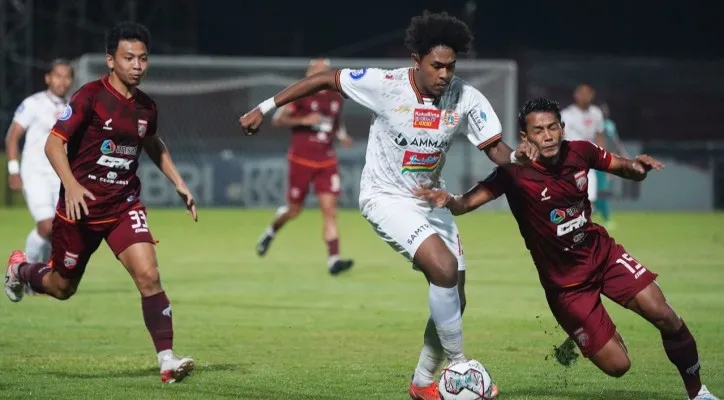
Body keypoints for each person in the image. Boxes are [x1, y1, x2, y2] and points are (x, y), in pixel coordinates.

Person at [240, 11, 537, 400]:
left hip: (430, 199)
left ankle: (421, 383)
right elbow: (327, 79)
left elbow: (495, 148)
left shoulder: (466, 96)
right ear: (416, 61)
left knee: (455, 296)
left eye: (451, 66)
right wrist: (264, 108)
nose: (445, 74)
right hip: (383, 196)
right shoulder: (385, 84)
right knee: (443, 268)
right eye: (437, 66)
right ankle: (460, 366)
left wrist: (519, 158)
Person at [415, 97, 719, 400]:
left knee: (664, 314)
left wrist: (637, 168)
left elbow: (621, 166)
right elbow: (466, 203)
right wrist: (449, 200)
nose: (547, 136)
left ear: (562, 128)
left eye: (552, 128)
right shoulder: (514, 173)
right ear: (525, 137)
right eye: (538, 131)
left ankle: (698, 393)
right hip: (566, 287)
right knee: (618, 366)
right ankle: (602, 331)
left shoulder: (580, 151)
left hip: (603, 256)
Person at [4, 21, 197, 384]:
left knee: (149, 276)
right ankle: (20, 270)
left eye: (143, 58)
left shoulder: (146, 108)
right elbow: (53, 143)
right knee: (62, 287)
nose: (137, 65)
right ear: (111, 60)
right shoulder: (89, 96)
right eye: (129, 58)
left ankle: (167, 360)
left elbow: (153, 143)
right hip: (79, 210)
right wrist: (72, 186)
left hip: (123, 206)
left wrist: (179, 182)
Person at [256, 58, 355, 276]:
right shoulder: (300, 93)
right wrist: (304, 120)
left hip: (327, 159)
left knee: (330, 211)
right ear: (310, 72)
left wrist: (342, 136)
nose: (321, 74)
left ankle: (334, 260)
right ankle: (270, 232)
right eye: (317, 70)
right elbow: (278, 120)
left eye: (325, 71)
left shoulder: (335, 97)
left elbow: (336, 124)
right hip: (301, 159)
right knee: (294, 210)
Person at [5, 59, 73, 270]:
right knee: (46, 226)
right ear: (48, 78)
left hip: (58, 175)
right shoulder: (33, 103)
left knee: (61, 229)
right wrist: (14, 171)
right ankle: (24, 270)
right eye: (58, 75)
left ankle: (42, 275)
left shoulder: (72, 107)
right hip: (35, 173)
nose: (62, 81)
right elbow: (12, 137)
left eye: (67, 76)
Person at [560, 84, 606, 206]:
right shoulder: (567, 114)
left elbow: (600, 135)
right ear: (576, 95)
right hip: (571, 155)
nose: (585, 96)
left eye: (588, 93)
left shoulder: (596, 113)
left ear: (592, 95)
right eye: (582, 93)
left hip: (589, 156)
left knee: (590, 189)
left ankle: (586, 215)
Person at [595, 102, 629, 228]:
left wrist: (623, 154)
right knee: (592, 190)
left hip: (604, 162)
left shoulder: (609, 126)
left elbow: (615, 142)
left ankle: (606, 218)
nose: (604, 112)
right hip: (591, 161)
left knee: (603, 190)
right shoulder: (591, 124)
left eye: (605, 110)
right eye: (601, 110)